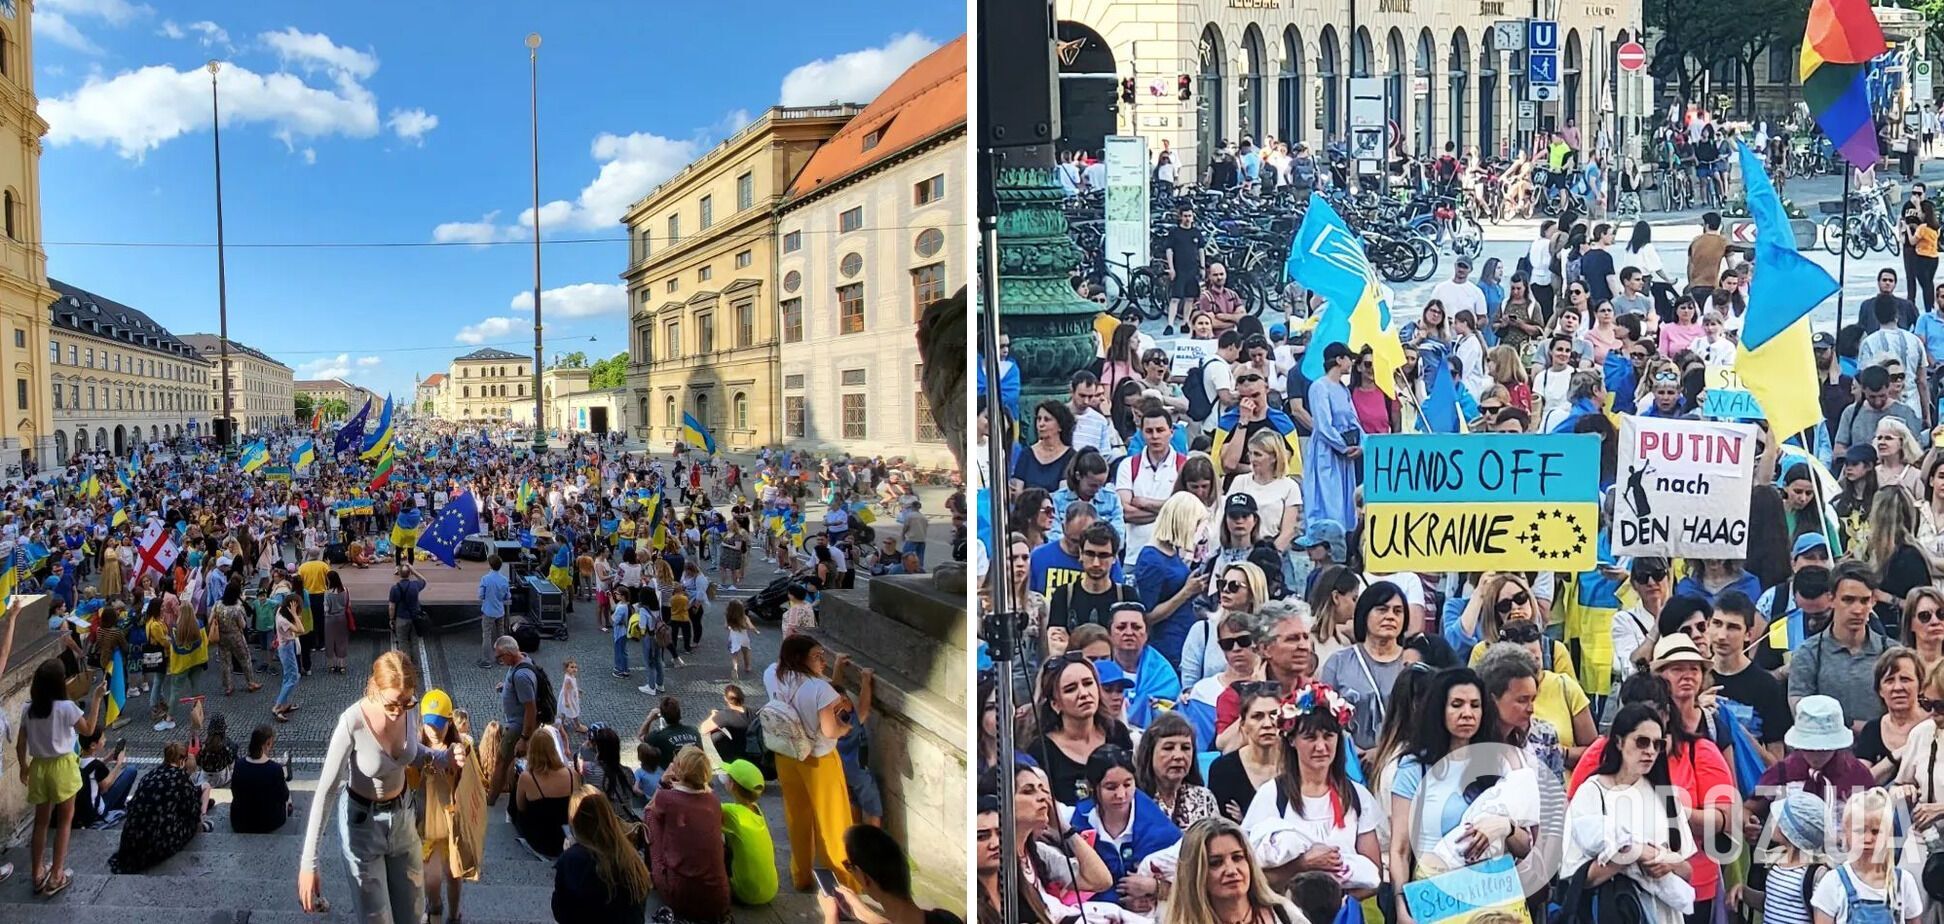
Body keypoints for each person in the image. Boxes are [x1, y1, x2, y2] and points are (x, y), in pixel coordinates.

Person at [298, 650, 456, 920]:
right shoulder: (352, 722)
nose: (399, 712)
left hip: (404, 819)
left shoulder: (409, 706)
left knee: (413, 914)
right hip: (363, 826)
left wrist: (442, 756)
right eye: (392, 704)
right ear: (375, 688)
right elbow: (325, 791)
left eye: (406, 703)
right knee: (376, 917)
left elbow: (411, 752)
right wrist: (309, 862)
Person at [1241, 682, 1383, 895]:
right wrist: (1302, 865)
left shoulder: (1357, 796)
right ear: (1292, 741)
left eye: (1328, 736)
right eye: (1310, 737)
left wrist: (1335, 906)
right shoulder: (1272, 795)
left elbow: (1374, 874)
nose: (1320, 747)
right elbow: (1252, 874)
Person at [1561, 703, 1696, 924]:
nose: (1650, 751)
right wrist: (1632, 854)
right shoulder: (1592, 792)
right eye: (1642, 742)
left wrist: (1668, 864)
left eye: (1658, 744)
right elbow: (1578, 876)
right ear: (1619, 742)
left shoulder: (1664, 794)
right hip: (1614, 911)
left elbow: (1687, 870)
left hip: (1664, 914)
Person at [765, 633, 859, 891]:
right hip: (818, 760)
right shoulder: (819, 689)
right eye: (817, 657)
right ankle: (846, 881)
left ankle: (801, 875)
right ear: (800, 659)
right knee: (833, 821)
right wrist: (844, 729)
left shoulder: (772, 673)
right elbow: (829, 730)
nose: (823, 661)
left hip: (786, 754)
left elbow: (821, 690)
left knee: (797, 817)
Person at [16, 657, 103, 896]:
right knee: (64, 822)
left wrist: (23, 766)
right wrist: (96, 699)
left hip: (39, 768)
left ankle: (37, 873)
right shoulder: (67, 708)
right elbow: (88, 729)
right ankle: (56, 874)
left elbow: (21, 742)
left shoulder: (27, 709)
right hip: (63, 767)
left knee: (41, 822)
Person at [1793, 562, 1896, 725]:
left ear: (1873, 602)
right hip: (1826, 747)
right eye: (1848, 600)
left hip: (1880, 747)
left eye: (1864, 601)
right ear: (1831, 599)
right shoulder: (1808, 653)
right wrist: (1851, 725)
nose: (1857, 609)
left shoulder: (1892, 653)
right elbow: (1800, 712)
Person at [1319, 581, 1410, 753]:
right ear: (1364, 614)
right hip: (1347, 763)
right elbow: (1323, 719)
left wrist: (1383, 754)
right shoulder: (1339, 662)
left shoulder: (1412, 663)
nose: (1391, 616)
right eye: (1382, 610)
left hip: (1399, 763)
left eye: (1398, 611)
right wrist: (1353, 752)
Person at [1160, 816, 1305, 924]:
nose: (1231, 870)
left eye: (1237, 858)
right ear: (1194, 873)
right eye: (1216, 863)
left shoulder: (1283, 914)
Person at [1811, 788, 1924, 924]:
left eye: (1876, 831)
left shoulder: (1903, 883)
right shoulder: (1832, 883)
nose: (1868, 839)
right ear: (1846, 833)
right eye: (1859, 831)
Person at [643, 746, 731, 920]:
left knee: (651, 816)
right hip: (718, 897)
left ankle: (655, 873)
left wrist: (662, 782)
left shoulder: (666, 798)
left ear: (678, 768)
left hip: (681, 896)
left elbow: (648, 808)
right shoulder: (713, 800)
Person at [553, 786, 651, 924]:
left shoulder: (573, 859)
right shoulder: (632, 857)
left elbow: (561, 912)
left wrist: (567, 857)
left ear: (575, 820)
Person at [107, 740, 207, 875]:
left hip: (130, 840)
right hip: (156, 843)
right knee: (191, 822)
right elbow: (192, 811)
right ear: (182, 761)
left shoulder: (150, 775)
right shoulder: (180, 778)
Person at [1304, 342, 1362, 531]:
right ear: (1339, 360)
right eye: (1348, 358)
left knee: (1346, 502)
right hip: (1327, 451)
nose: (1351, 363)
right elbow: (1322, 425)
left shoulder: (1343, 389)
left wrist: (1362, 444)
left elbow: (1354, 420)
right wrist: (1343, 446)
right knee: (1329, 500)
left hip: (1345, 453)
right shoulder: (1319, 387)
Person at [720, 758, 779, 907]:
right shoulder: (756, 809)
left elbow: (703, 807)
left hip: (745, 893)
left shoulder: (730, 812)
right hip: (771, 890)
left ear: (732, 785)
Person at [488, 635, 539, 808]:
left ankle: (491, 800)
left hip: (518, 726)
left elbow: (530, 708)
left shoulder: (521, 676)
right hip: (516, 723)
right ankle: (508, 792)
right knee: (508, 760)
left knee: (502, 761)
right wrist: (506, 687)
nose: (499, 661)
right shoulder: (522, 659)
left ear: (509, 653)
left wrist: (524, 738)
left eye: (500, 657)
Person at [230, 723, 294, 834]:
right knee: (287, 794)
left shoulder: (239, 765)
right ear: (268, 743)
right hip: (270, 823)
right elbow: (283, 796)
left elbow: (234, 790)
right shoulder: (275, 769)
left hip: (240, 822)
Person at [477, 554, 511, 669]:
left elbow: (481, 595)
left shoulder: (485, 579)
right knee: (500, 635)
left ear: (490, 565)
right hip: (500, 611)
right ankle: (501, 659)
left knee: (487, 635)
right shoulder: (504, 580)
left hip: (488, 611)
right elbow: (507, 596)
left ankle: (486, 660)